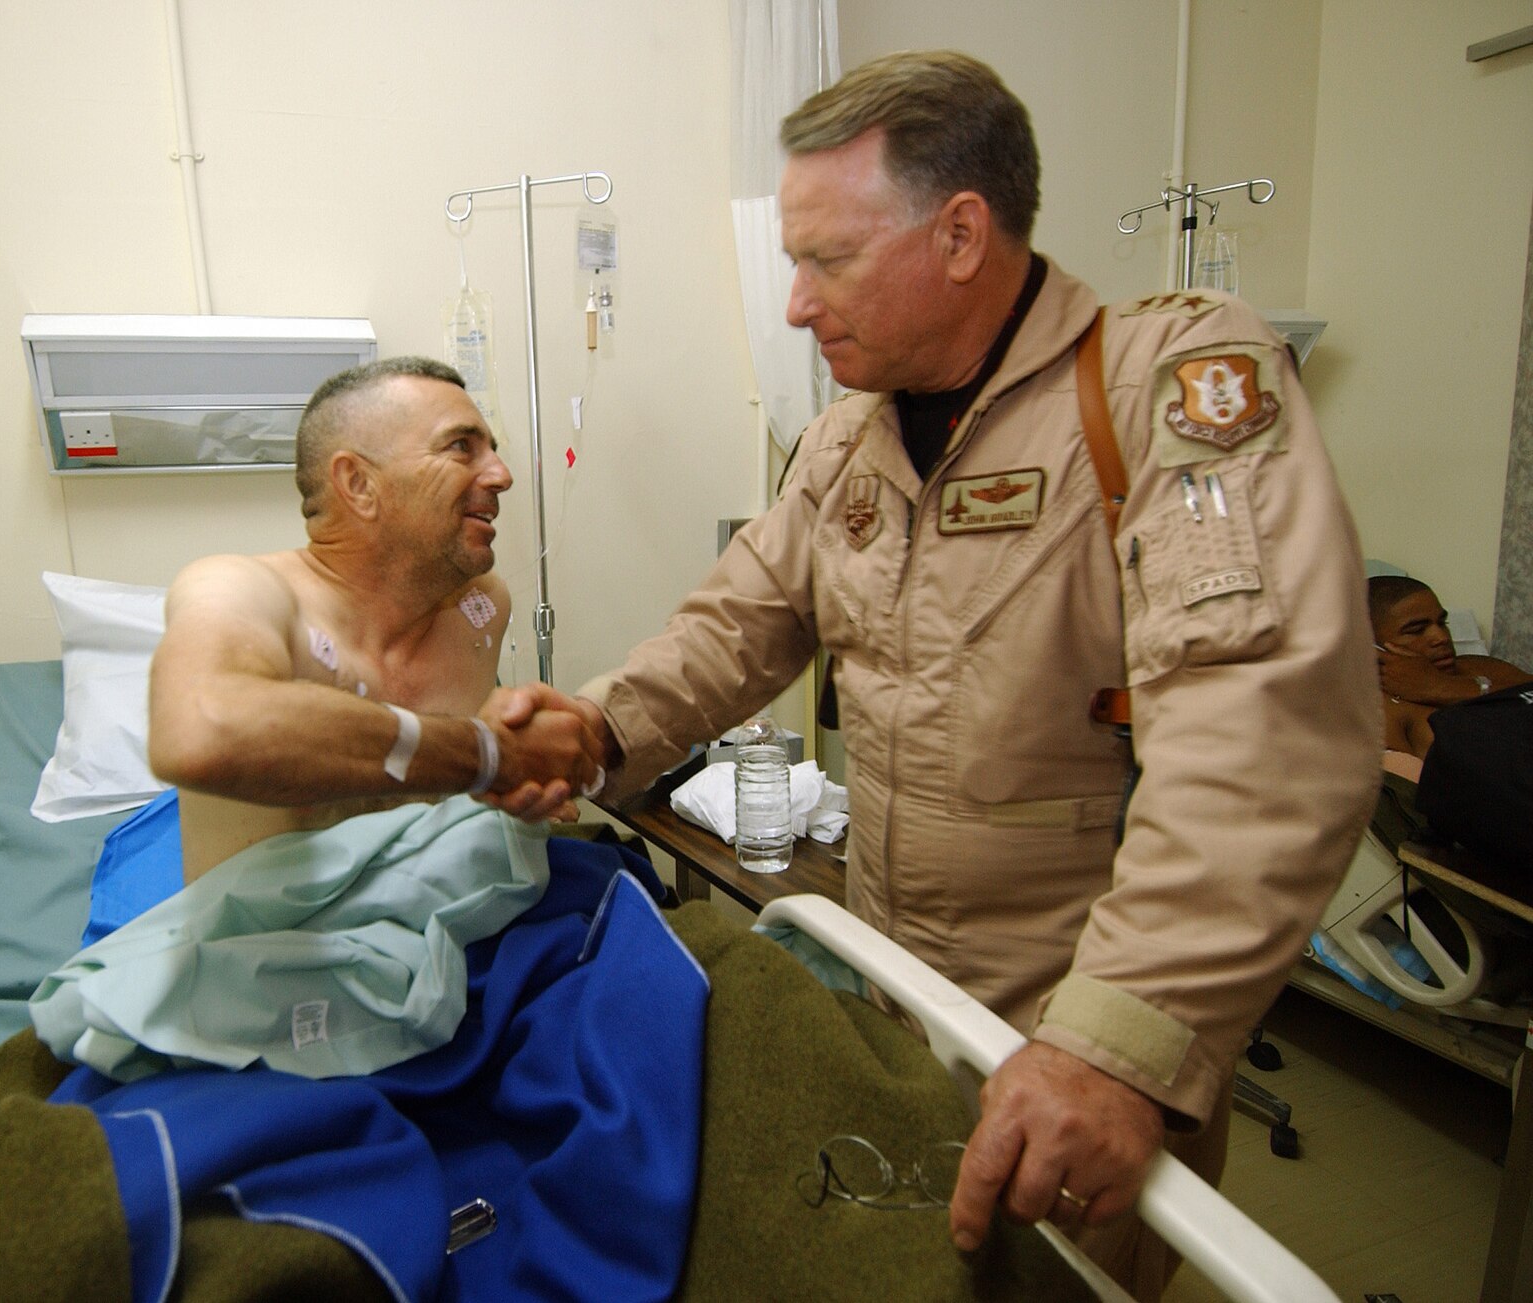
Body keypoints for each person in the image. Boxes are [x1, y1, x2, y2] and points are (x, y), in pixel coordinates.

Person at [499, 51, 1381, 1299]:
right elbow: (736, 623)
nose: (796, 304)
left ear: (961, 233)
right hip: (896, 990)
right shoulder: (848, 440)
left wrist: (1114, 1051)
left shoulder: (1154, 392)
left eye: (827, 259)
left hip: (1077, 1012)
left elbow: (1263, 731)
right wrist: (589, 730)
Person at [147, 355, 603, 882]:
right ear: (358, 483)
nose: (502, 476)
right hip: (275, 948)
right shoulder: (237, 588)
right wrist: (489, 752)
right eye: (461, 446)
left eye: (493, 452)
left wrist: (512, 794)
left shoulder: (479, 610)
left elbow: (435, 815)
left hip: (444, 927)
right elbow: (201, 729)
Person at [1371, 574, 1529, 759]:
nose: (1442, 638)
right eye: (1416, 630)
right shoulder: (1382, 710)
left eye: (1442, 623)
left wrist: (1444, 686)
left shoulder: (1480, 667)